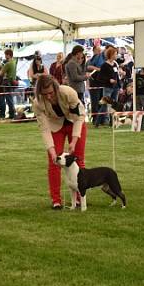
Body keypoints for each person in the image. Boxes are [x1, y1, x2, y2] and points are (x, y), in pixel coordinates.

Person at [32, 75, 87, 210]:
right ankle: (56, 200)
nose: (49, 96)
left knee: (78, 159)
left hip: (75, 122)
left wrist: (74, 141)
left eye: (51, 93)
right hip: (55, 126)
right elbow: (44, 129)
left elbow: (79, 117)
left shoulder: (68, 93)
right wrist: (51, 151)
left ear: (56, 89)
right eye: (45, 94)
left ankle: (80, 197)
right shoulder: (37, 103)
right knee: (54, 162)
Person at [0, 48, 17, 119]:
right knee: (10, 98)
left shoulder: (8, 64)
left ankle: (12, 114)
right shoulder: (14, 62)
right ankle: (12, 113)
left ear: (8, 55)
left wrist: (2, 66)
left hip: (7, 83)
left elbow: (0, 73)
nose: (5, 56)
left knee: (9, 99)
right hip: (12, 82)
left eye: (5, 55)